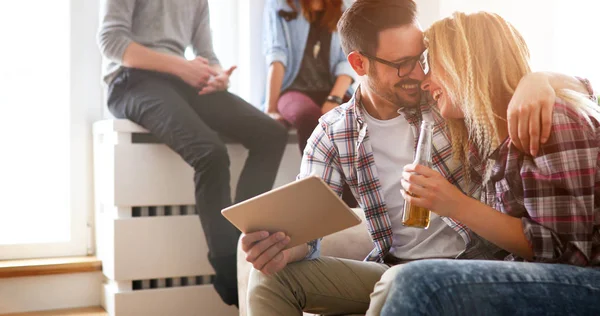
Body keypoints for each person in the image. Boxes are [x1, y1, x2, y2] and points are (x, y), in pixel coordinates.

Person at [241, 1, 595, 315]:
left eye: (422, 59)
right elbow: (309, 233)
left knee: (408, 282)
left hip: (480, 263)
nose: (420, 76)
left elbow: (502, 74)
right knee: (270, 278)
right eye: (402, 64)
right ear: (359, 63)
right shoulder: (332, 135)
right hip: (393, 269)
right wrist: (282, 248)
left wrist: (539, 79)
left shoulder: (452, 101)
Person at [381, 11, 600, 316]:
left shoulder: (552, 119)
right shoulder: (487, 138)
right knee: (399, 280)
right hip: (550, 276)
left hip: (587, 282)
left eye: (433, 66)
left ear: (468, 63)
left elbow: (566, 252)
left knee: (418, 283)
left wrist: (456, 205)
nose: (426, 81)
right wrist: (541, 78)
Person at [97, 0, 288, 307]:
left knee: (271, 133)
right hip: (130, 80)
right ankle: (228, 268)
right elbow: (111, 41)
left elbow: (206, 54)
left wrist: (217, 76)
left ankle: (245, 241)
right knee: (210, 153)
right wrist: (181, 66)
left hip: (181, 79)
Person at [263, 0, 358, 207]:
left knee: (353, 119)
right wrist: (270, 108)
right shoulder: (281, 5)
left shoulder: (344, 9)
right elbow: (276, 55)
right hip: (293, 89)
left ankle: (355, 208)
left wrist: (333, 98)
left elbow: (348, 59)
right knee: (308, 118)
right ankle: (320, 201)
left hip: (332, 89)